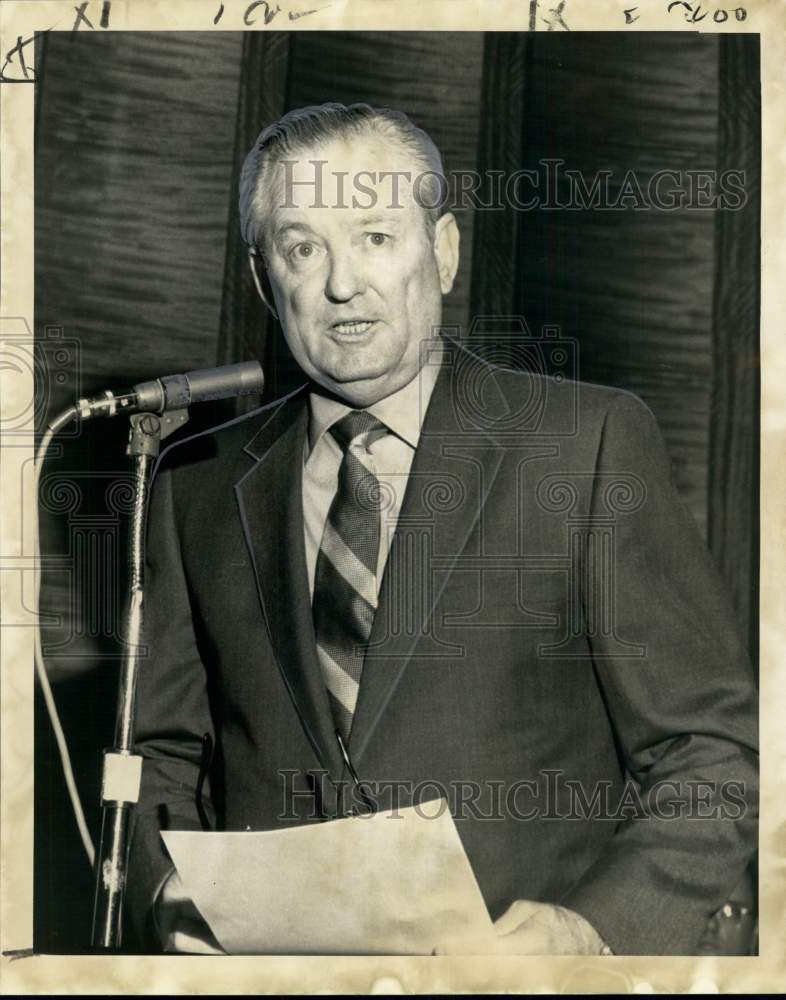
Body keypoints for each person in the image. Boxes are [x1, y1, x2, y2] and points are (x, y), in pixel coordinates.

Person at [125, 103, 758, 956]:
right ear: (261, 277)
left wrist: (591, 931)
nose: (342, 283)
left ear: (445, 250)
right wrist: (166, 892)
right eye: (303, 247)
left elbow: (714, 756)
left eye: (377, 236)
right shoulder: (192, 484)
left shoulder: (585, 445)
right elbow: (158, 757)